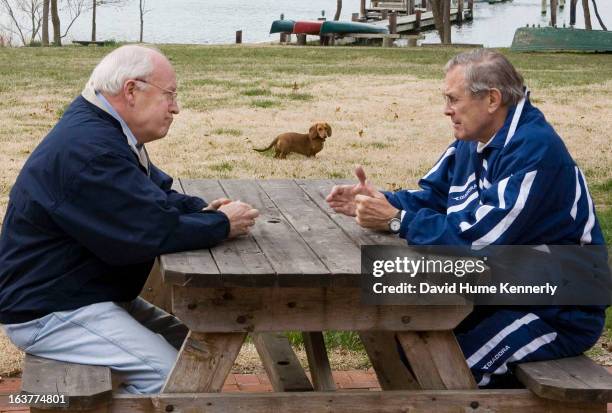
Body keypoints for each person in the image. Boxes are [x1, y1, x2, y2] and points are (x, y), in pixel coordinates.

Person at [326, 49, 606, 388]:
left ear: (491, 99)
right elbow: (433, 197)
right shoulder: (472, 141)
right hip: (501, 289)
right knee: (403, 335)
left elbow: (478, 243)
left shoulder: (537, 153)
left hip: (556, 309)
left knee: (445, 370)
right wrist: (381, 201)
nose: (446, 109)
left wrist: (398, 220)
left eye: (453, 99)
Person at [0, 45, 259, 394]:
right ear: (132, 90)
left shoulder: (103, 129)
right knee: (175, 382)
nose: (176, 107)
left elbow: (154, 196)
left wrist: (203, 211)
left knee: (195, 351)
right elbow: (148, 232)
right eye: (170, 95)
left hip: (79, 293)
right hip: (51, 309)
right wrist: (222, 224)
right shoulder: (94, 150)